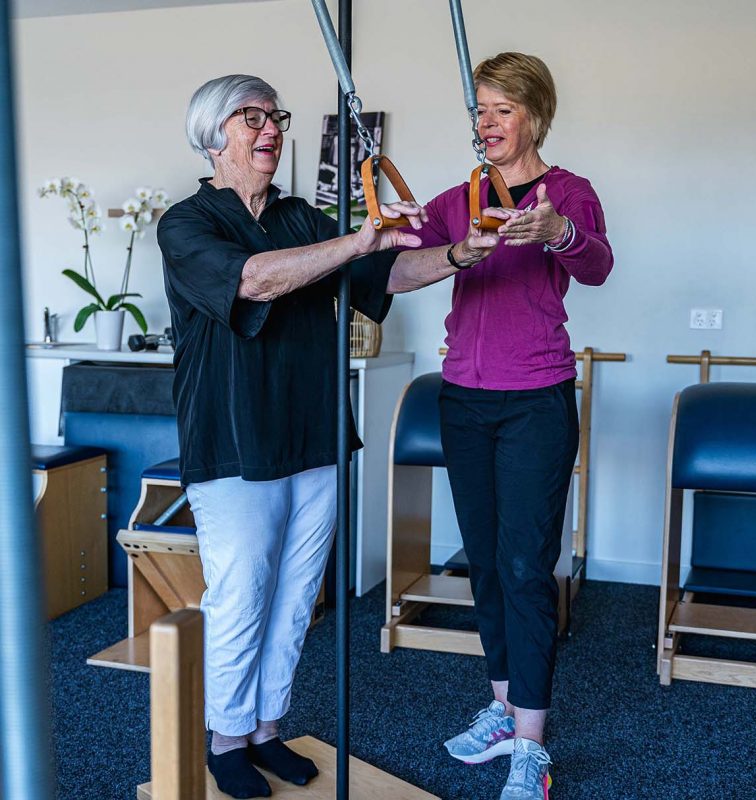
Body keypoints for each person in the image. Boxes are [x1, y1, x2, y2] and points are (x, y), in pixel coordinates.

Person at [156, 74, 502, 799]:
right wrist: (354, 240)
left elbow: (389, 271)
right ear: (212, 134)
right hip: (234, 444)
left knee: (296, 597)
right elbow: (252, 282)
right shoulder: (187, 223)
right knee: (243, 593)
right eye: (250, 117)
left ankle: (264, 729)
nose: (269, 128)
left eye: (273, 115)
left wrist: (462, 254)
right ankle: (224, 737)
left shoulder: (301, 218)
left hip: (313, 434)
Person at [403, 53, 614, 800]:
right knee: (485, 563)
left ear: (534, 114)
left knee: (526, 566)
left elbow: (597, 266)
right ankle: (500, 707)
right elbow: (394, 270)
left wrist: (555, 231)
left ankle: (532, 746)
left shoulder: (569, 194)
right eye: (480, 112)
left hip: (536, 399)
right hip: (463, 397)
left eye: (501, 110)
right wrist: (450, 250)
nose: (487, 125)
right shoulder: (457, 198)